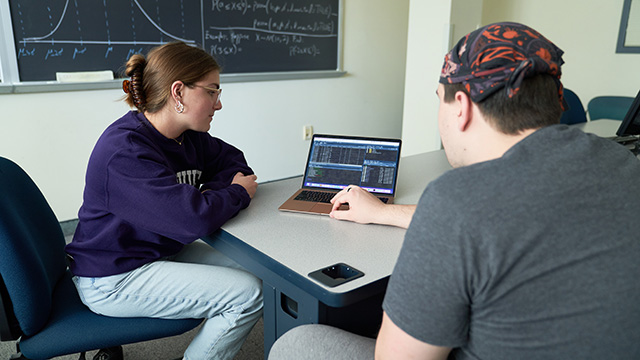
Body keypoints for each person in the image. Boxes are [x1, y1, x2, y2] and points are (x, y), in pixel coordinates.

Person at [269, 22, 640, 359]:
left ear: (460, 106)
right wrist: (382, 213)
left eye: (438, 98)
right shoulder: (622, 161)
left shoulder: (457, 199)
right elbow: (503, 217)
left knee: (296, 344)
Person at [65, 42, 263, 360]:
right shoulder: (125, 150)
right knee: (247, 294)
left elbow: (234, 164)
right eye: (212, 92)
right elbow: (192, 220)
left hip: (160, 253)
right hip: (114, 277)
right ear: (179, 92)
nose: (219, 104)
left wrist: (203, 200)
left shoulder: (187, 136)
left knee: (260, 269)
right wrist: (231, 195)